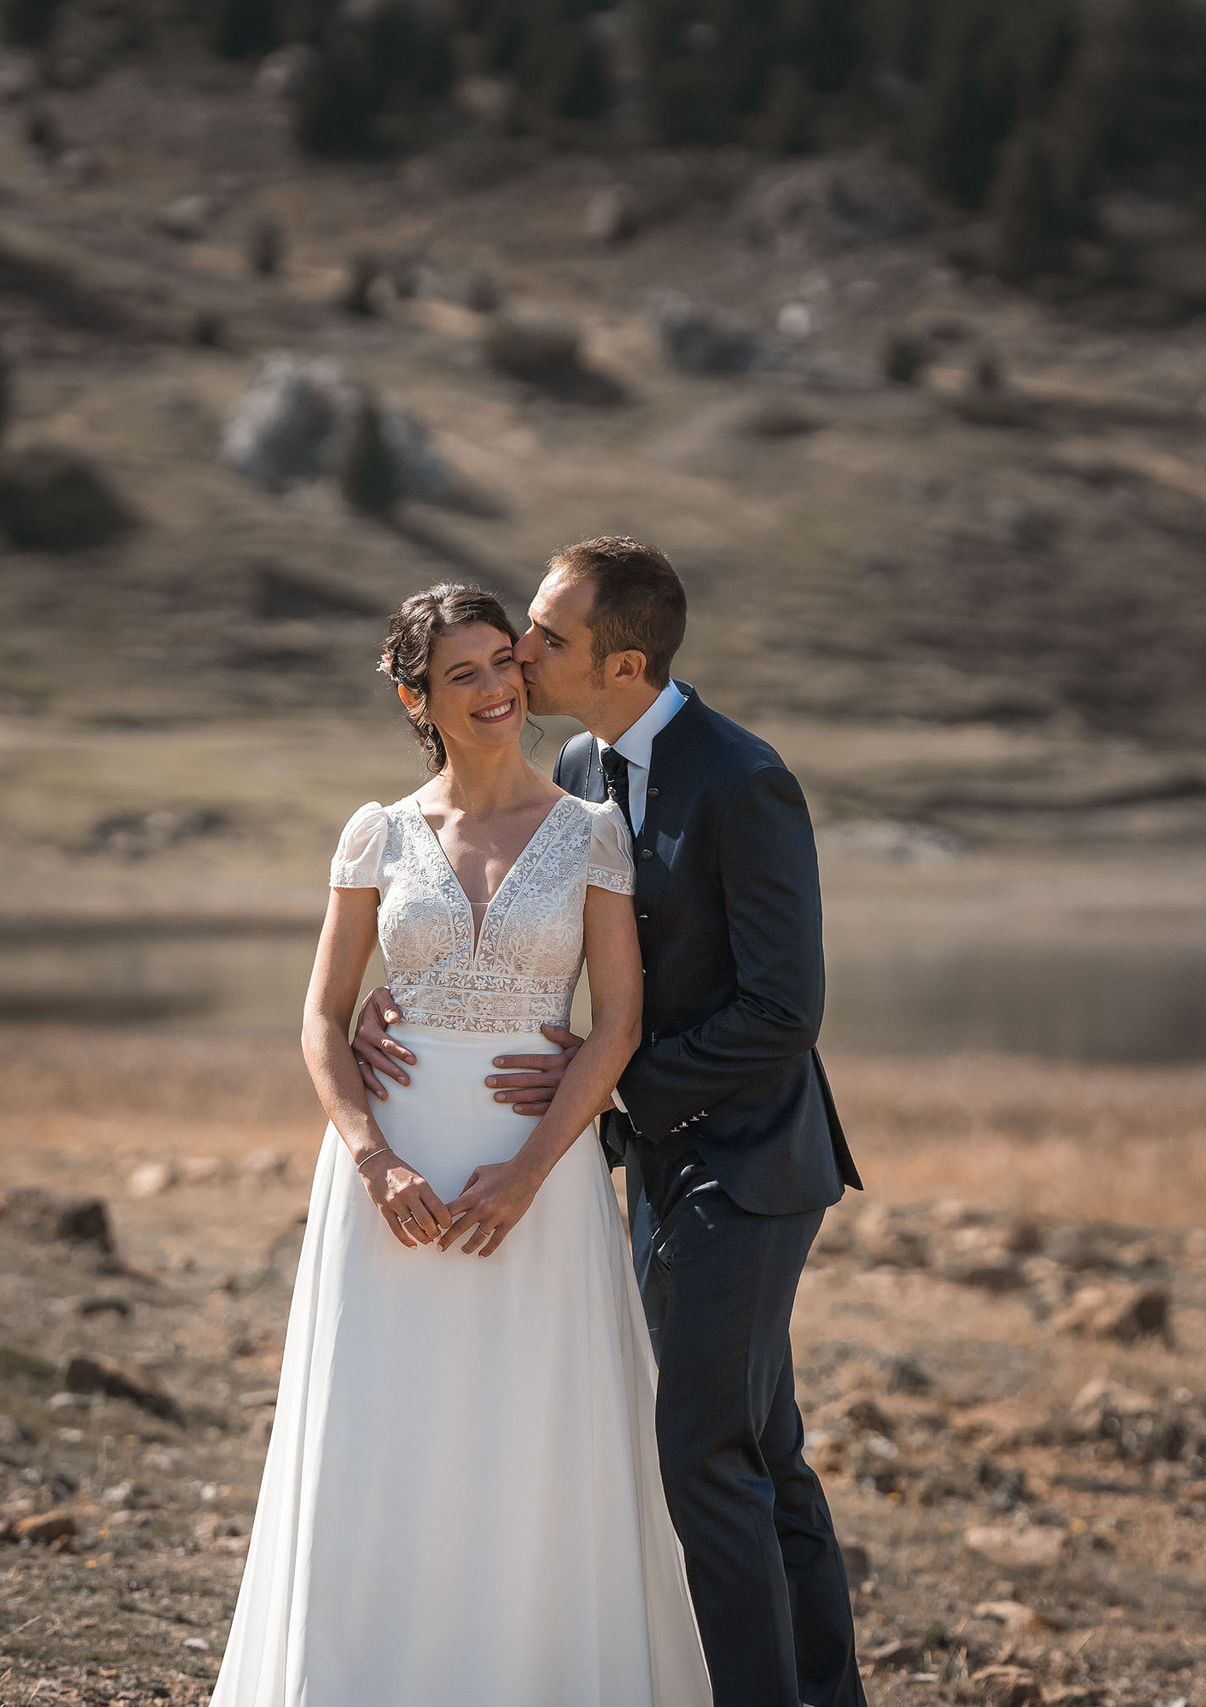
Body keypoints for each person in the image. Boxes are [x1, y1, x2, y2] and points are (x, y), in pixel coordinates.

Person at [352, 538, 867, 1707]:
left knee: (703, 1461)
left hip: (748, 1168)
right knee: (761, 1458)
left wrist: (615, 1081)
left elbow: (786, 1010)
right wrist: (413, 985)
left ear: (623, 661)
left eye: (546, 637)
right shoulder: (583, 759)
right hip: (653, 1163)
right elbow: (525, 917)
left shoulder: (743, 779)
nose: (521, 654)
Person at [211, 583, 711, 1707]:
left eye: (504, 662)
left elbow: (618, 1022)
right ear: (416, 698)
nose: (495, 689)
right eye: (462, 674)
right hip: (389, 1178)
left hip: (537, 1178)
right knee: (381, 1435)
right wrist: (372, 1159)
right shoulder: (377, 832)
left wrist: (530, 1172)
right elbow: (321, 1018)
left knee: (534, 1442)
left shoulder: (590, 832)